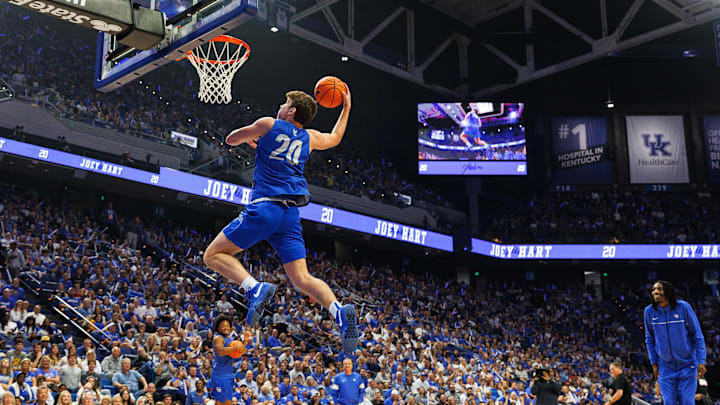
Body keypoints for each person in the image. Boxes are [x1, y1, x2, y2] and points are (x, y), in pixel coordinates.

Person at [202, 88, 359, 354]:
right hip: (290, 215)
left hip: (266, 207)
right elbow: (335, 137)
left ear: (292, 111)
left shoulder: (268, 124)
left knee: (213, 255)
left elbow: (230, 139)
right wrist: (346, 107)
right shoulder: (309, 137)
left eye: (283, 104)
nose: (279, 107)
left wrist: (253, 137)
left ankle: (254, 287)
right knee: (301, 278)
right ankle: (339, 311)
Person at [644, 281, 706, 405]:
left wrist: (701, 361)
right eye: (654, 289)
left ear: (668, 292)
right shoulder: (649, 312)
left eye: (660, 289)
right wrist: (654, 363)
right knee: (668, 402)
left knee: (688, 401)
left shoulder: (683, 307)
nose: (655, 292)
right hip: (665, 366)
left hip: (688, 365)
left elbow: (697, 335)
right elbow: (649, 339)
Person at [207, 315, 250, 405]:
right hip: (220, 375)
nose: (226, 327)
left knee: (228, 402)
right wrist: (235, 347)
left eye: (228, 325)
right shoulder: (217, 338)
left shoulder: (229, 339)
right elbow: (220, 351)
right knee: (221, 402)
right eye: (223, 325)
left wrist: (244, 342)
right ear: (218, 327)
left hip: (228, 374)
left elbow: (237, 355)